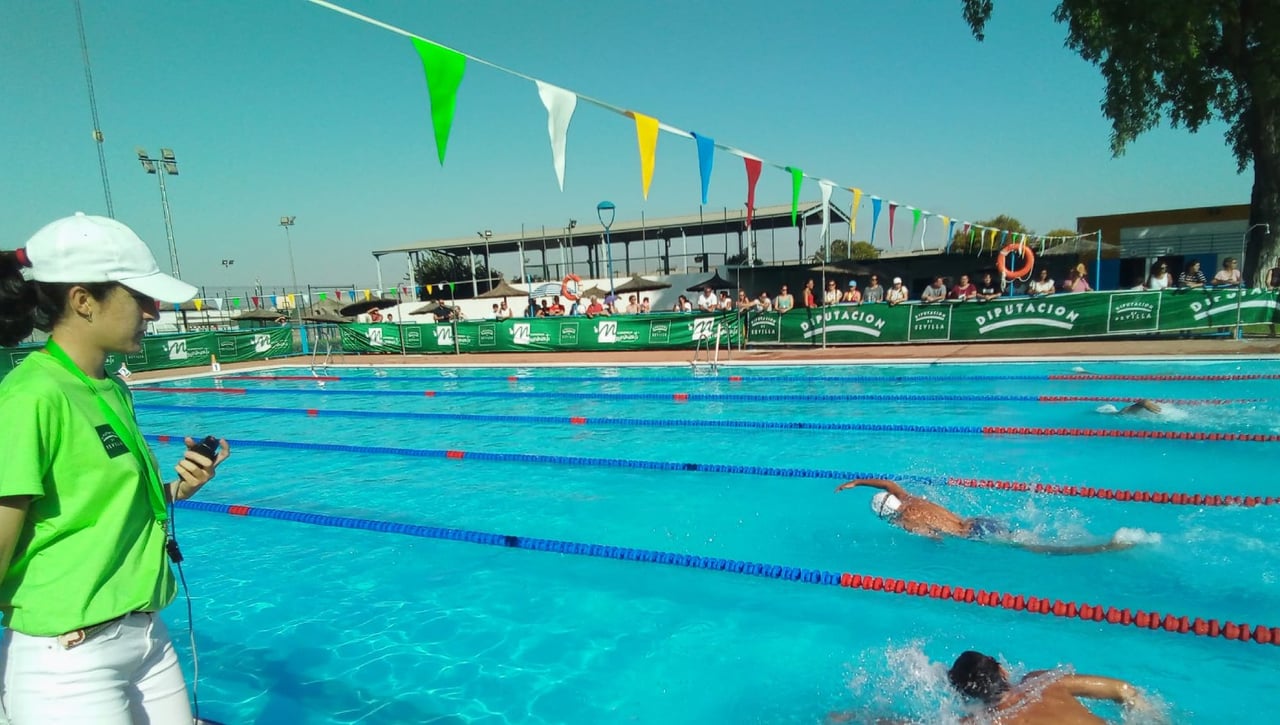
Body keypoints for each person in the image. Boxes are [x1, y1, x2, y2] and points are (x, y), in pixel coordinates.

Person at [0, 213, 232, 723]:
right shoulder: (30, 399)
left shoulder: (111, 388)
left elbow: (93, 504)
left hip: (146, 636)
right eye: (140, 297)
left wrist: (175, 488)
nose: (153, 311)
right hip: (70, 657)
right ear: (84, 300)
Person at [833, 479, 1138, 554]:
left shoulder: (905, 521)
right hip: (979, 521)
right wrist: (857, 483)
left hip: (975, 536)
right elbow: (885, 483)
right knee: (1027, 534)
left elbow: (935, 538)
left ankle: (1104, 547)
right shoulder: (909, 498)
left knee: (1033, 547)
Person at [946, 650, 1159, 724]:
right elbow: (1124, 689)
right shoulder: (1041, 681)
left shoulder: (982, 722)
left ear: (966, 696)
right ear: (1003, 671)